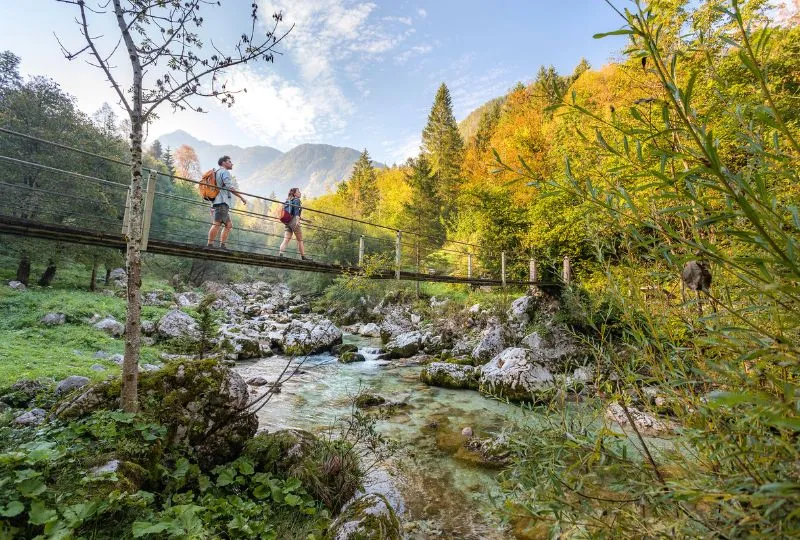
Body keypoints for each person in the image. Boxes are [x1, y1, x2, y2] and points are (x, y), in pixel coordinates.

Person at [206, 155, 247, 250]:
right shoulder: (224, 172)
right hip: (222, 202)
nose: (232, 163)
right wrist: (241, 197)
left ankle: (221, 245)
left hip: (218, 202)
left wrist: (212, 205)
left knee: (228, 225)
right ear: (224, 163)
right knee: (217, 224)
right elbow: (230, 187)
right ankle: (210, 245)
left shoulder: (216, 172)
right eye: (229, 161)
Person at [278, 187, 311, 260]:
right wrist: (297, 222)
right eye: (299, 192)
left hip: (287, 222)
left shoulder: (289, 200)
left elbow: (293, 213)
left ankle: (280, 254)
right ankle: (303, 257)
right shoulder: (297, 200)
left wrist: (305, 220)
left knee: (286, 239)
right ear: (295, 194)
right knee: (300, 240)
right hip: (294, 221)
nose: (300, 193)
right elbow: (296, 213)